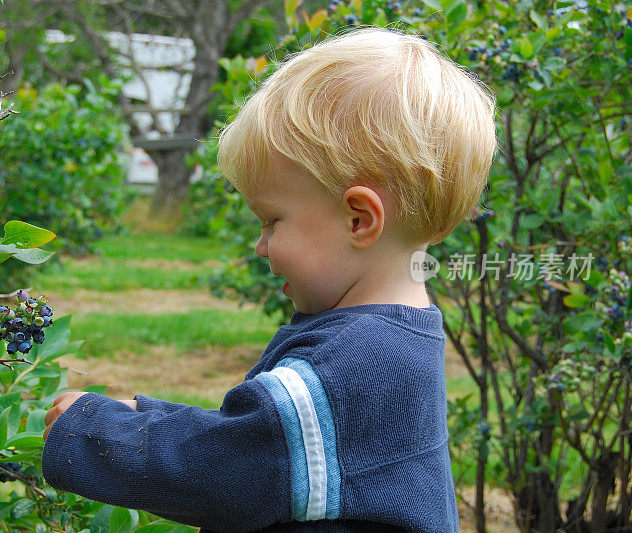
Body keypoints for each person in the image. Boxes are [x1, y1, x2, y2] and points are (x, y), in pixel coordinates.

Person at [42, 24, 497, 532]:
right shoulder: (392, 339)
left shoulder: (359, 360)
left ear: (359, 219)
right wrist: (145, 412)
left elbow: (228, 472)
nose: (261, 246)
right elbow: (259, 439)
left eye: (271, 221)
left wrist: (96, 429)